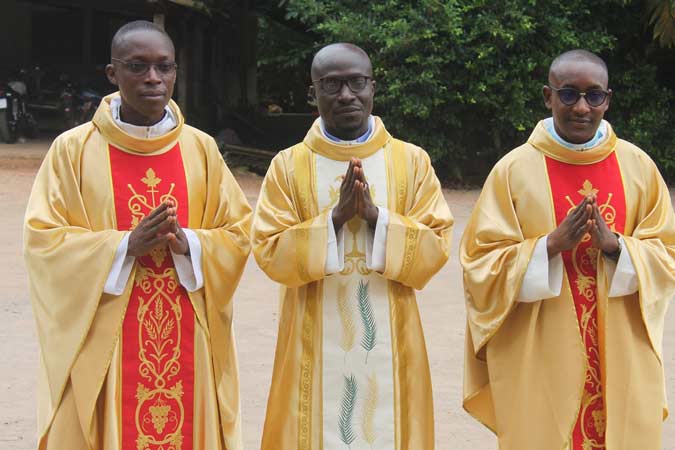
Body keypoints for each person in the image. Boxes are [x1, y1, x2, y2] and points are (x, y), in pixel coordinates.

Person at [23, 20, 251, 450]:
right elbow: (42, 240)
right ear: (112, 73)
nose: (153, 78)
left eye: (164, 67)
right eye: (138, 66)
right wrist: (124, 246)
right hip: (108, 334)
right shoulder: (73, 150)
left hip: (188, 331)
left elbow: (239, 233)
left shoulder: (200, 149)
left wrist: (190, 244)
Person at [461, 49, 675, 450]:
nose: (582, 107)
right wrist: (548, 247)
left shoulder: (638, 167)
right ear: (548, 96)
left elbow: (667, 253)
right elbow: (479, 263)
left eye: (594, 96)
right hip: (541, 350)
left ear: (607, 99)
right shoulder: (514, 170)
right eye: (569, 94)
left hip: (620, 349)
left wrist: (616, 248)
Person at [251, 43, 454, 450]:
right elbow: (269, 250)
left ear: (373, 87)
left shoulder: (411, 161)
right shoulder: (288, 166)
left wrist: (378, 218)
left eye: (357, 82)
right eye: (332, 84)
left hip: (392, 343)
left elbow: (437, 246)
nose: (346, 94)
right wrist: (335, 220)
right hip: (312, 343)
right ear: (313, 94)